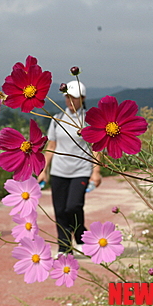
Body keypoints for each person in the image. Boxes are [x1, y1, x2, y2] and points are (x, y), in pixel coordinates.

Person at [37, 80, 101, 254]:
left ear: (83, 98)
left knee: (73, 206)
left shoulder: (89, 120)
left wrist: (96, 171)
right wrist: (44, 171)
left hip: (81, 171)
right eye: (67, 97)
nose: (70, 101)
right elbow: (51, 147)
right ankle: (64, 248)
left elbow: (96, 146)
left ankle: (81, 236)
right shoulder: (57, 119)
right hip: (59, 171)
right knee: (60, 211)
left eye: (74, 98)